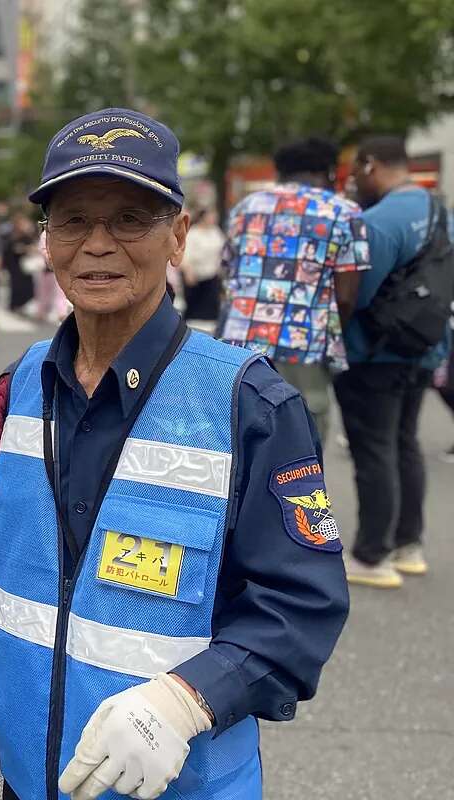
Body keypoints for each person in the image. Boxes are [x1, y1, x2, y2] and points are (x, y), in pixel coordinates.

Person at [0, 108, 348, 800]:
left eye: (130, 219)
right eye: (72, 221)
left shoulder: (247, 402)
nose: (97, 245)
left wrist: (187, 700)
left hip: (178, 785)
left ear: (179, 236)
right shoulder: (19, 386)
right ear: (46, 241)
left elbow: (301, 604)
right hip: (27, 778)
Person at [336, 135, 452, 587]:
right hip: (425, 348)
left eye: (355, 172)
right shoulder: (441, 212)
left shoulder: (380, 221)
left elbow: (356, 293)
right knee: (405, 443)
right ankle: (409, 545)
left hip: (376, 353)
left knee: (375, 450)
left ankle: (371, 555)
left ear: (370, 166)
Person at [215, 138, 371, 443]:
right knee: (301, 440)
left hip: (240, 340)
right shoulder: (345, 212)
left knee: (240, 431)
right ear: (328, 172)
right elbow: (346, 295)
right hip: (304, 343)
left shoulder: (247, 207)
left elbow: (228, 272)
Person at [180, 207, 225, 322]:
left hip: (212, 274)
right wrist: (188, 272)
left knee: (211, 307)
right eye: (211, 217)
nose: (213, 219)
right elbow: (186, 253)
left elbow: (222, 250)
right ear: (203, 217)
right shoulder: (193, 233)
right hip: (195, 274)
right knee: (193, 306)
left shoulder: (215, 232)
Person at [2, 211, 37, 313]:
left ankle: (21, 304)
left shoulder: (27, 235)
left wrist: (25, 248)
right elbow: (7, 249)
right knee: (15, 285)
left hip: (24, 264)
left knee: (26, 286)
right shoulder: (10, 235)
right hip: (13, 264)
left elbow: (33, 246)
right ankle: (14, 305)